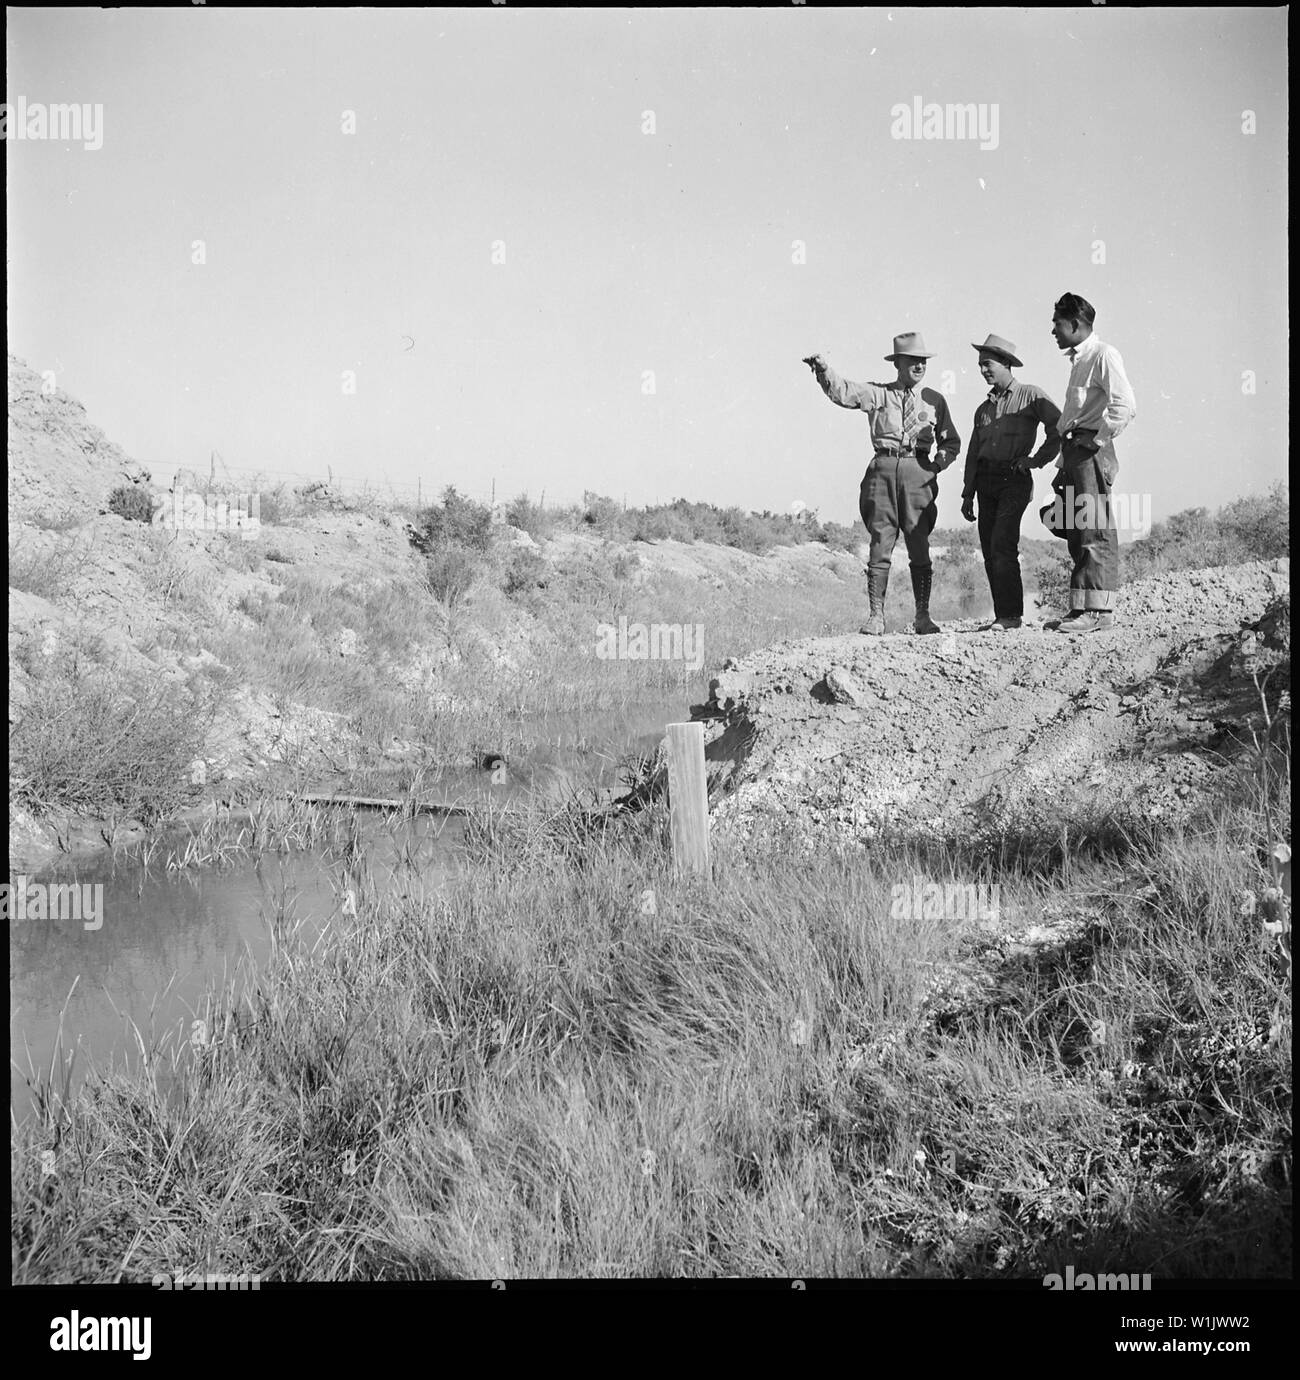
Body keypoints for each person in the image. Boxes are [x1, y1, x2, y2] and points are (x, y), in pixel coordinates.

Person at [803, 333, 961, 635]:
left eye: (922, 361)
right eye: (912, 361)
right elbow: (844, 392)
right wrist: (823, 370)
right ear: (898, 364)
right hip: (883, 468)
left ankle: (923, 616)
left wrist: (937, 465)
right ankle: (876, 616)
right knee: (880, 542)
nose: (919, 366)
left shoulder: (934, 400)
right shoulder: (878, 394)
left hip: (919, 471)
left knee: (919, 543)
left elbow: (951, 441)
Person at [1045, 293, 1137, 633]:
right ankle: (1083, 608)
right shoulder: (1079, 360)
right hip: (1073, 451)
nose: (1053, 331)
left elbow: (1124, 405)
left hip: (1090, 451)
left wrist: (1097, 438)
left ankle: (1098, 613)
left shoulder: (1103, 355)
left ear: (1075, 324)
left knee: (1094, 529)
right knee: (1076, 528)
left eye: (1057, 324)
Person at [960, 334, 1061, 630]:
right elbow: (972, 453)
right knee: (990, 550)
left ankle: (1011, 616)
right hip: (985, 482)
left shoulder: (1031, 395)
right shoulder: (984, 408)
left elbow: (1059, 427)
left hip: (1014, 479)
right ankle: (1002, 615)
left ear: (1006, 364)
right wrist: (968, 493)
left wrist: (1036, 460)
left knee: (1003, 543)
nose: (983, 370)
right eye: (980, 365)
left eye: (988, 364)